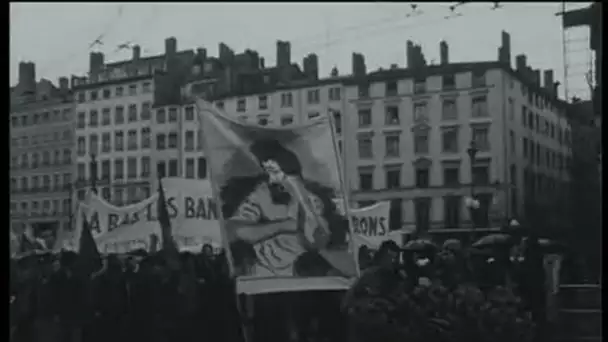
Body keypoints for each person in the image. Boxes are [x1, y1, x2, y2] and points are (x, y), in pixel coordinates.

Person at [220, 139, 349, 277]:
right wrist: (284, 225)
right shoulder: (262, 193)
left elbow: (316, 242)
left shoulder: (312, 201)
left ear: (291, 173)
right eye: (268, 172)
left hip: (300, 275)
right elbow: (236, 231)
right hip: (263, 275)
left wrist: (305, 209)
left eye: (275, 172)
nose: (271, 179)